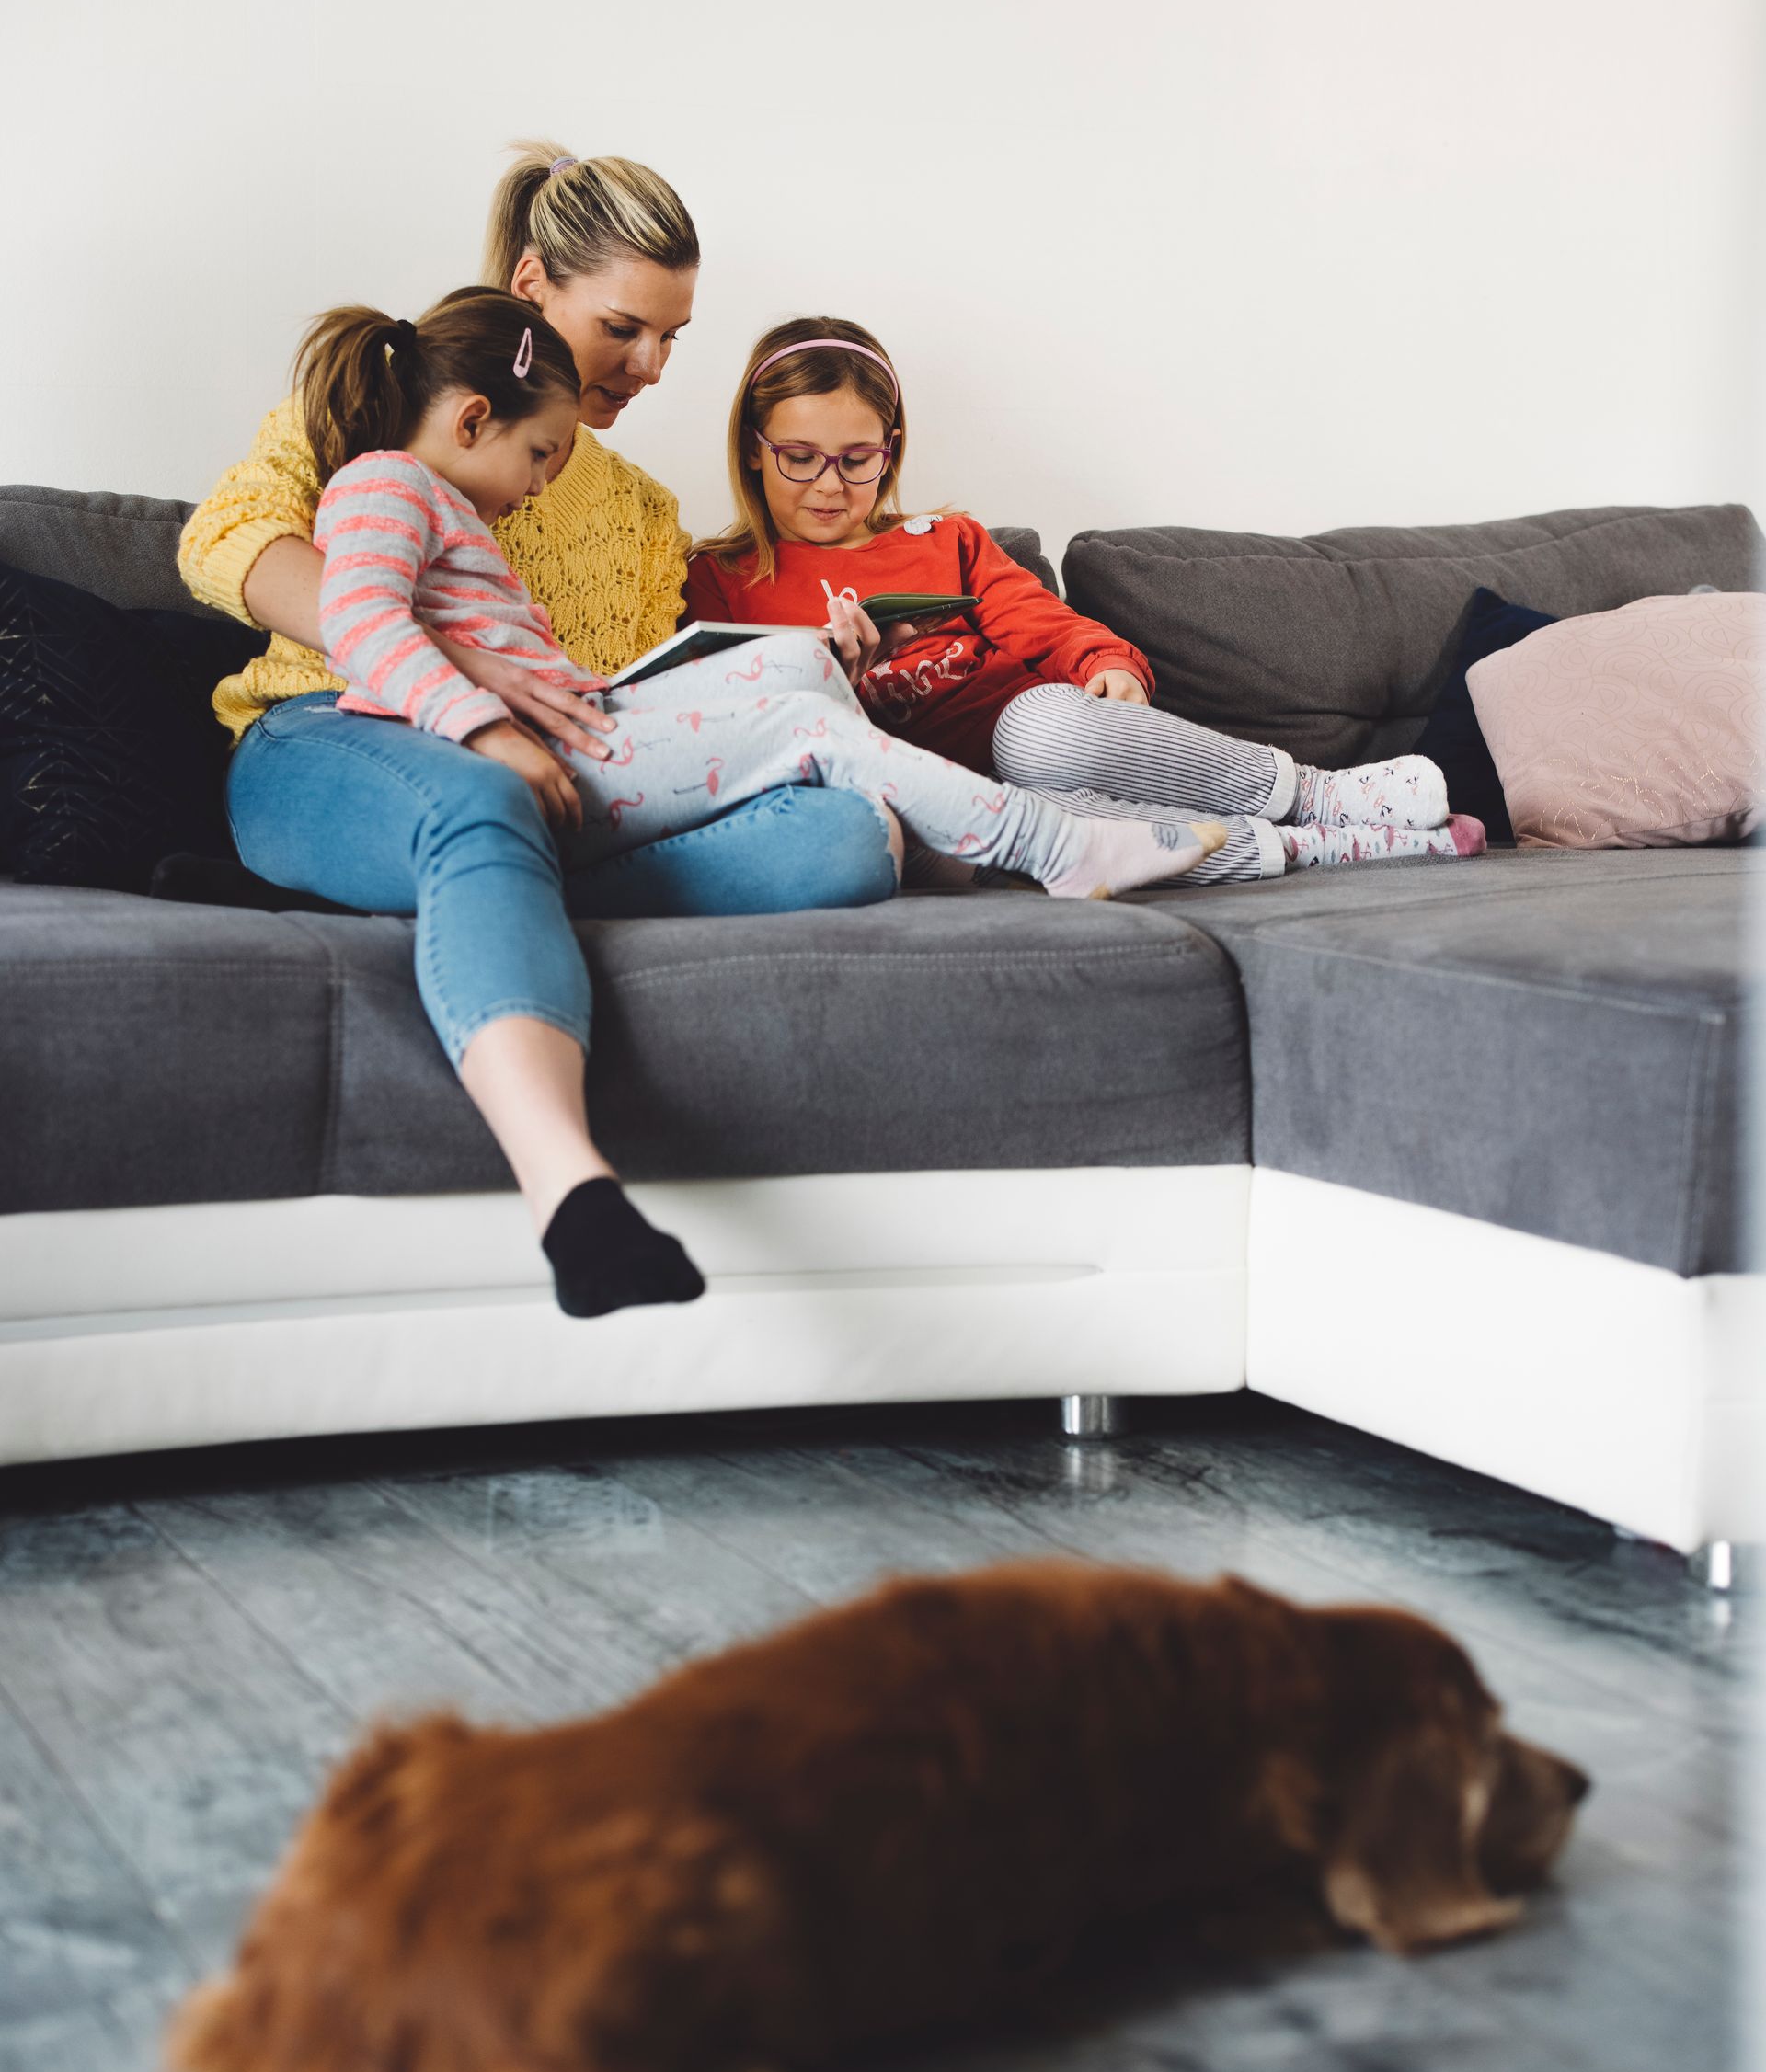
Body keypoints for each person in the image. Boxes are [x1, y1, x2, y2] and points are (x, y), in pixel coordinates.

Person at [286, 285, 1227, 1311]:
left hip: (575, 721)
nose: (544, 479)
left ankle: (955, 837)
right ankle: (1050, 844)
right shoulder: (383, 483)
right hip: (530, 750)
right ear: (474, 420)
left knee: (803, 672)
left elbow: (499, 650)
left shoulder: (448, 505)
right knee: (802, 726)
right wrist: (482, 726)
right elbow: (359, 620)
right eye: (541, 453)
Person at [178, 143, 892, 922]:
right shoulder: (373, 408)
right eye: (622, 327)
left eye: (670, 336)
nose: (651, 365)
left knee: (849, 837)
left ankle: (481, 884)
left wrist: (806, 674)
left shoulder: (646, 513)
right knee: (486, 806)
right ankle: (486, 869)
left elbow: (630, 717)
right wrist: (465, 671)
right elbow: (222, 541)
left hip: (548, 770)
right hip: (338, 722)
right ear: (530, 286)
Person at [685, 317, 1486, 882]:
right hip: (949, 799)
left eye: (856, 459)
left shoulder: (947, 540)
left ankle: (1317, 792)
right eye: (799, 457)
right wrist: (836, 677)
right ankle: (1326, 847)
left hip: (1027, 731)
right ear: (754, 450)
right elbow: (734, 726)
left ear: (889, 454)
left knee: (1038, 734)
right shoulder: (719, 579)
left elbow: (1036, 615)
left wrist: (1105, 660)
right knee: (1037, 836)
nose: (829, 484)